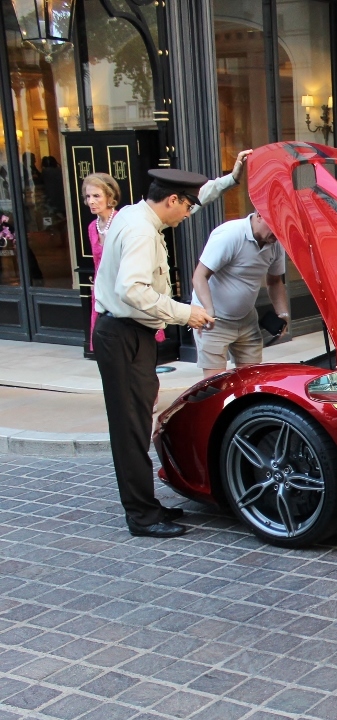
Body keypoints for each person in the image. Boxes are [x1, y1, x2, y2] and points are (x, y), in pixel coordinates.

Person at [93, 168, 216, 539]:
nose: (188, 215)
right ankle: (142, 516)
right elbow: (132, 290)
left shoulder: (135, 213)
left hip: (127, 334)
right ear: (172, 200)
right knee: (130, 430)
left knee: (137, 423)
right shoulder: (142, 232)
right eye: (187, 206)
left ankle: (146, 505)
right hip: (123, 334)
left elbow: (194, 200)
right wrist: (185, 312)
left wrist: (227, 181)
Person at [191, 211, 288, 378]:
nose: (278, 234)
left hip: (246, 319)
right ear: (259, 215)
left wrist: (283, 313)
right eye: (275, 227)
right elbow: (200, 275)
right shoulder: (230, 235)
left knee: (251, 379)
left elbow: (275, 281)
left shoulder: (275, 243)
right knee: (215, 384)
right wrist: (208, 309)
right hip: (215, 320)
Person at [83, 172, 122, 352]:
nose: (91, 201)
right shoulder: (92, 227)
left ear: (110, 196)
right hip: (102, 290)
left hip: (123, 287)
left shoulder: (123, 221)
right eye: (88, 196)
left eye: (96, 196)